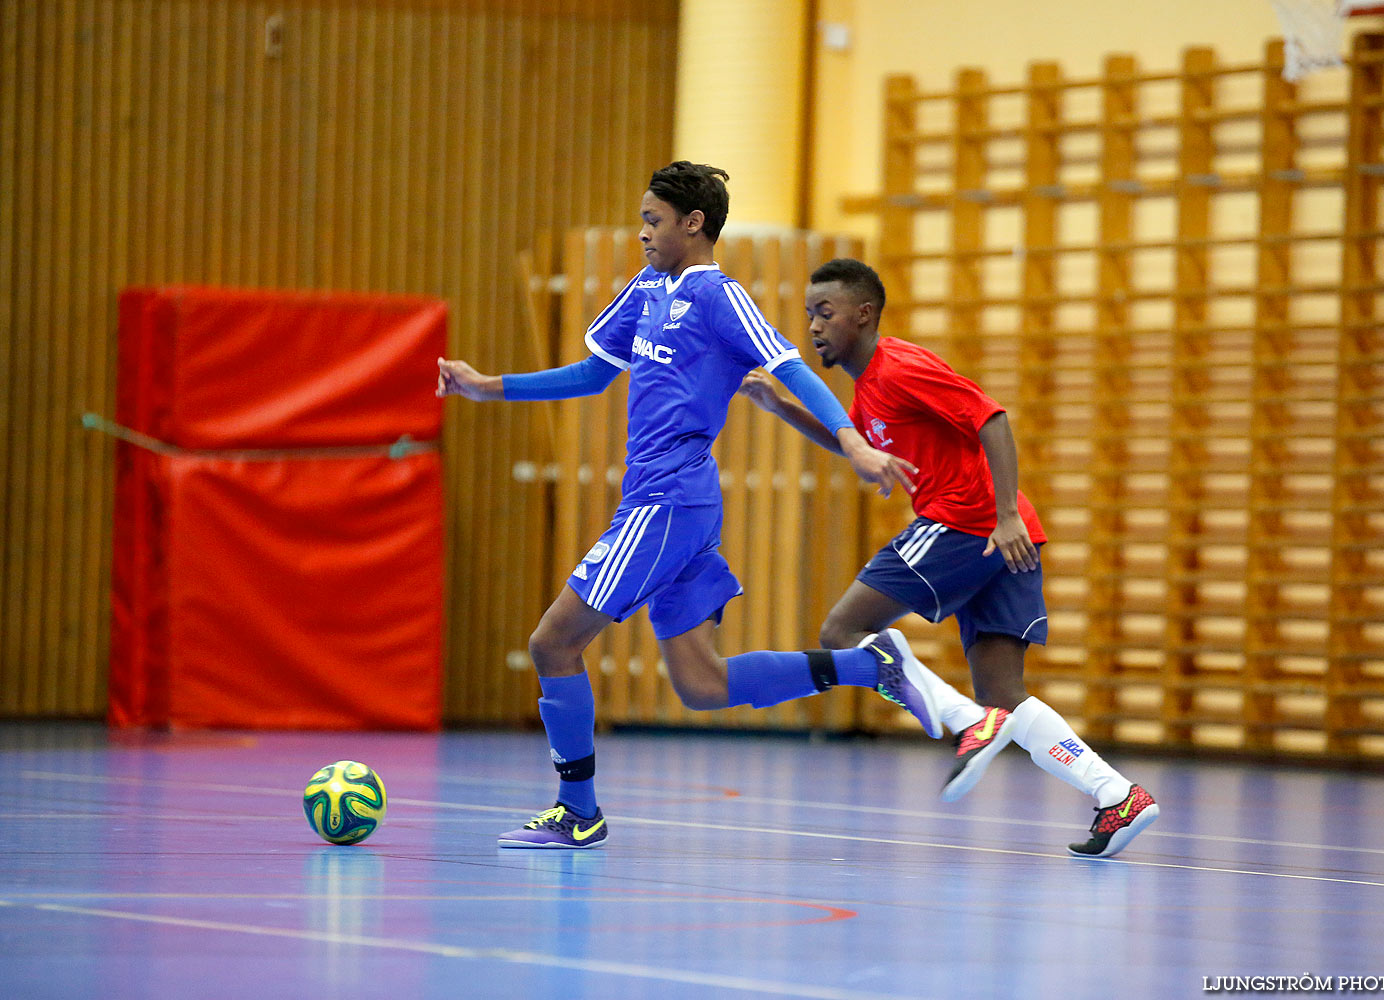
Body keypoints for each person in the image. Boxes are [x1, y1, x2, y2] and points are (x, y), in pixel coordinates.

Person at [436, 163, 960, 850]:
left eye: (653, 220)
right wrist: (487, 388)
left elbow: (790, 365)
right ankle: (872, 665)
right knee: (704, 685)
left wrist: (853, 442)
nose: (641, 231)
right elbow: (594, 372)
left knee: (552, 643)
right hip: (669, 504)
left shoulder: (719, 296)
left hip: (667, 503)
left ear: (693, 224)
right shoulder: (647, 288)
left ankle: (576, 811)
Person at [738, 257, 1159, 859]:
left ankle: (964, 722)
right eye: (808, 315)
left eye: (824, 313)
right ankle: (1117, 796)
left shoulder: (901, 367)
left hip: (967, 523)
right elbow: (848, 442)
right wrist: (781, 407)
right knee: (1004, 694)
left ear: (863, 314)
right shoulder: (868, 390)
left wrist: (1007, 511)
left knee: (842, 628)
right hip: (1000, 536)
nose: (813, 326)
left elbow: (991, 417)